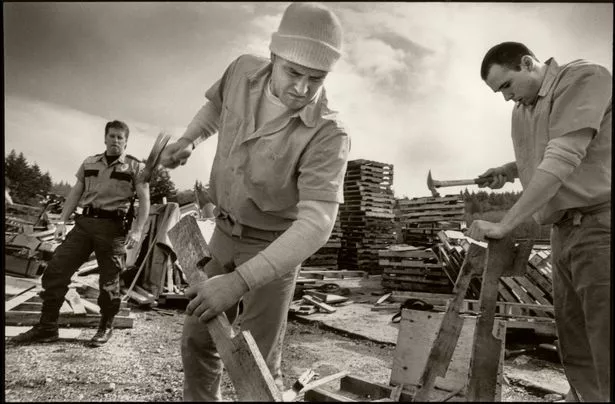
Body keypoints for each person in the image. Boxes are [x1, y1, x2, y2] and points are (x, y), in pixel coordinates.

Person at [159, 2, 349, 400]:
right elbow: (216, 106)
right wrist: (189, 140)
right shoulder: (242, 70)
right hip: (224, 230)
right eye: (294, 72)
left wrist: (239, 282)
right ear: (274, 55)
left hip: (274, 243)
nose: (302, 88)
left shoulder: (329, 133)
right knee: (197, 338)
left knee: (257, 364)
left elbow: (317, 223)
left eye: (315, 79)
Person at [468, 42, 611, 402]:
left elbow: (563, 157)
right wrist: (510, 169)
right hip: (564, 231)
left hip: (601, 226)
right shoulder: (523, 108)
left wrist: (506, 224)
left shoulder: (583, 79)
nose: (505, 98)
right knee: (574, 339)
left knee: (606, 338)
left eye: (506, 86)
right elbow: (542, 154)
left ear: (528, 63)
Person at [11, 120, 151, 347]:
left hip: (113, 229)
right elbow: (75, 193)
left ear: (126, 142)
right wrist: (61, 222)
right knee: (56, 271)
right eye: (112, 136)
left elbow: (145, 200)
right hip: (84, 225)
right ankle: (47, 328)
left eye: (120, 138)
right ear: (105, 138)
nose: (116, 141)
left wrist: (137, 231)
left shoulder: (136, 167)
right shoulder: (89, 163)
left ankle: (105, 327)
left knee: (109, 283)